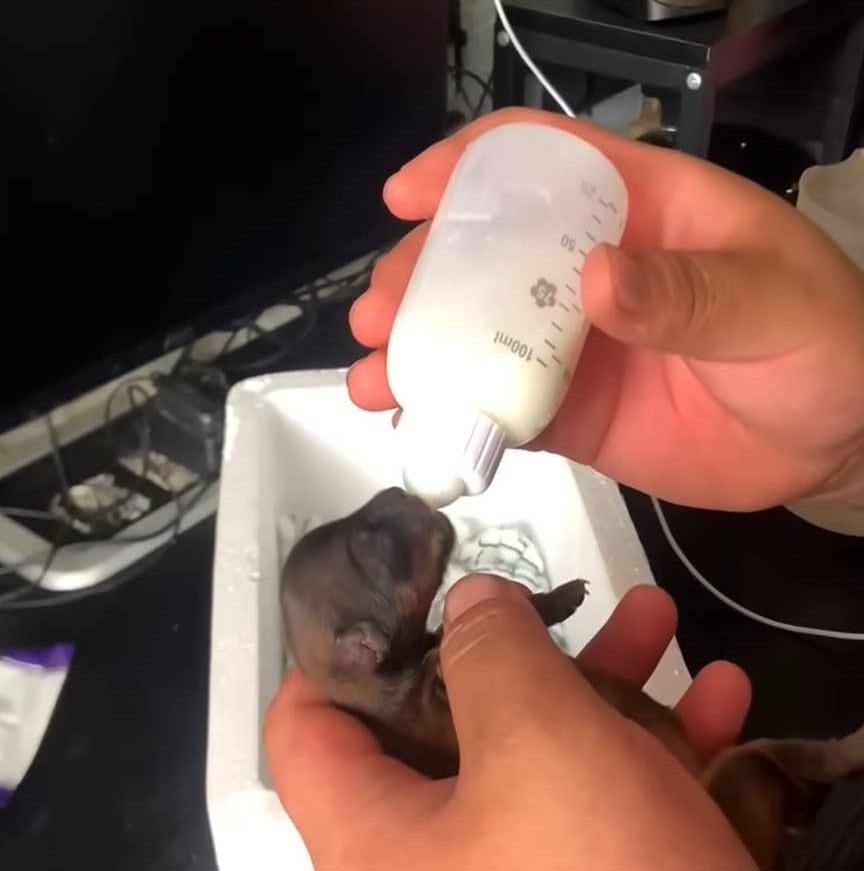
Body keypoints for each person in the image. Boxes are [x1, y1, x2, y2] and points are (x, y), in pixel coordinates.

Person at [264, 107, 864, 869]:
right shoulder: (425, 700)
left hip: (652, 797)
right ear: (365, 646)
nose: (397, 505)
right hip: (664, 804)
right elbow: (493, 674)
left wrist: (851, 452)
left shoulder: (399, 668)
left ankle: (822, 776)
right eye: (378, 541)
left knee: (752, 771)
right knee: (751, 775)